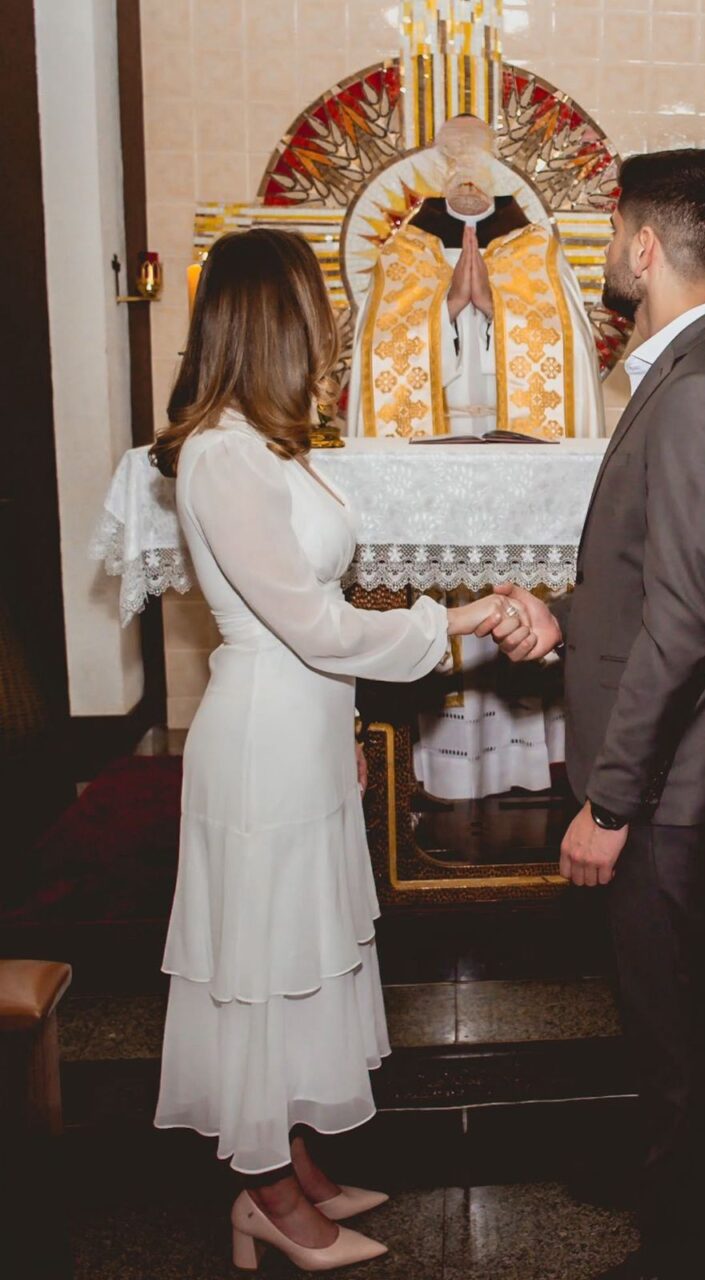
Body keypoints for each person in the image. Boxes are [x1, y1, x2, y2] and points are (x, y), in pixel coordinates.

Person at [149, 228, 522, 1274]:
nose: (329, 323)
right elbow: (310, 625)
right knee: (263, 964)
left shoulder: (267, 442)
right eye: (314, 305)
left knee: (300, 956)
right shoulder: (222, 455)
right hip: (262, 740)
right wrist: (456, 619)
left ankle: (296, 1160)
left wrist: (347, 726)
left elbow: (310, 614)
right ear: (274, 319)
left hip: (303, 727)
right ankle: (265, 1194)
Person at [489, 149, 705, 1280]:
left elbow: (688, 623)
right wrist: (564, 619)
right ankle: (673, 1177)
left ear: (646, 247)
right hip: (672, 772)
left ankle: (687, 1250)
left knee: (677, 1032)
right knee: (673, 1018)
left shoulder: (704, 388)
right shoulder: (694, 368)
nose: (610, 249)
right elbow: (657, 584)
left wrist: (611, 803)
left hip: (668, 786)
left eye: (617, 231)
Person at [347, 113, 603, 800]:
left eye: (475, 156)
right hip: (433, 459)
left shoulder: (534, 244)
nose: (466, 169)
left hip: (512, 456)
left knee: (516, 587)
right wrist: (442, 311)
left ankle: (522, 756)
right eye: (454, 157)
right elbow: (381, 345)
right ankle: (436, 760)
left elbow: (566, 346)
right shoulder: (405, 248)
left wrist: (495, 312)